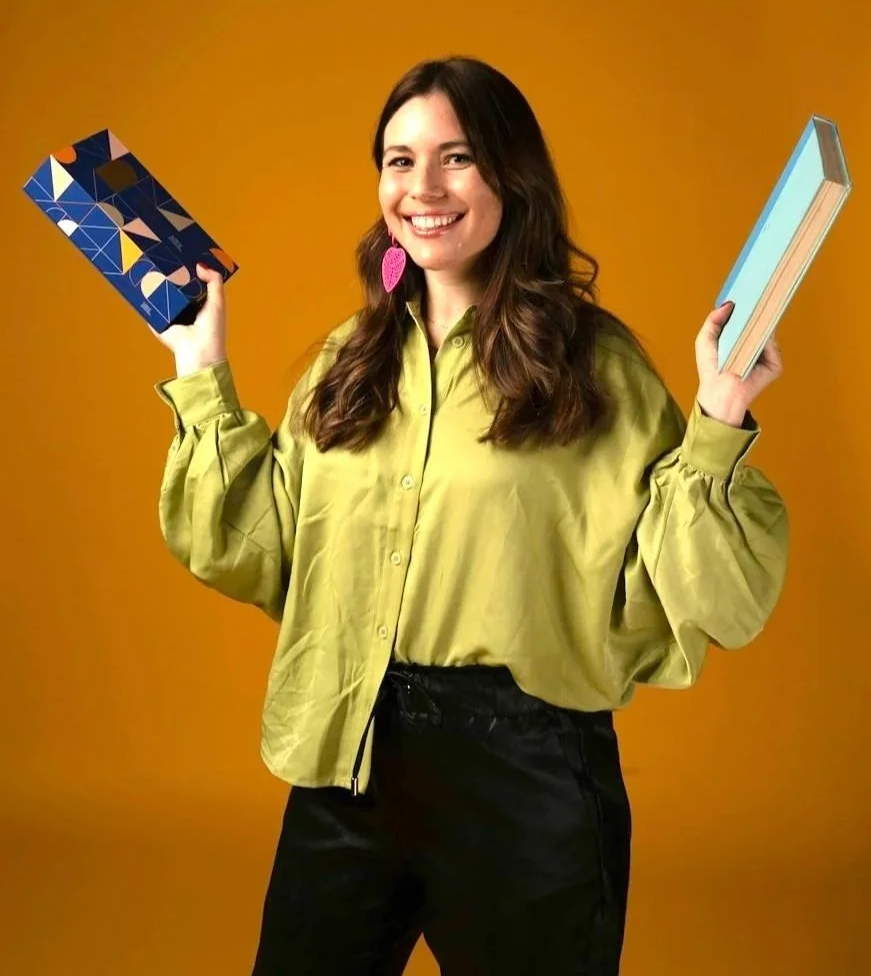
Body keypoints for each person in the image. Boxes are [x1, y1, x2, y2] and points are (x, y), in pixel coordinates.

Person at [151, 56, 788, 975]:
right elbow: (264, 545)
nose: (423, 188)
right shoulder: (348, 358)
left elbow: (698, 586)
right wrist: (198, 365)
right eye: (399, 160)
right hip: (349, 751)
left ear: (510, 178)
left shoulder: (591, 365)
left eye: (456, 158)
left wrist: (720, 416)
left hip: (526, 779)